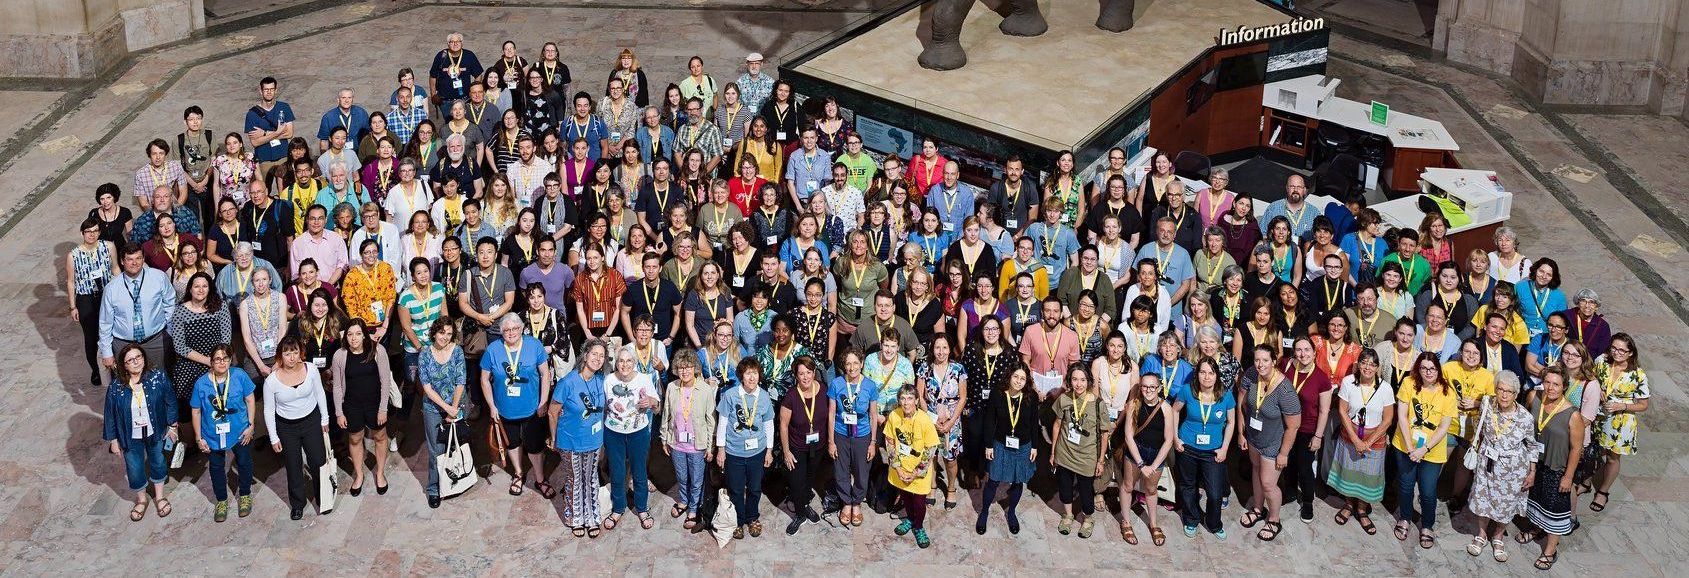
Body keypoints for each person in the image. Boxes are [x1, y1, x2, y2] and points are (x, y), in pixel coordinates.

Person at [1463, 370, 1540, 563]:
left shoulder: (1525, 417)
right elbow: (1480, 430)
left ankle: (1497, 536)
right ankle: (1481, 534)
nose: (1504, 395)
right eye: (1501, 390)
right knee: (1484, 499)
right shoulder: (1487, 404)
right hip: (1487, 462)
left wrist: (1532, 471)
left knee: (1506, 505)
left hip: (1512, 469)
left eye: (1509, 391)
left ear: (1516, 395)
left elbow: (1532, 445)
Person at [102, 343, 178, 521]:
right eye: (130, 360)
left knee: (158, 461)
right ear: (124, 365)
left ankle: (159, 496)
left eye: (139, 357)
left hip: (156, 430)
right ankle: (142, 499)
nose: (136, 362)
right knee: (134, 467)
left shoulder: (158, 377)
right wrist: (113, 440)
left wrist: (173, 426)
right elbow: (110, 415)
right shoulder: (116, 387)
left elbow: (171, 402)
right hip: (129, 435)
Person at [1520, 368, 1586, 570]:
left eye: (1556, 384)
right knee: (1536, 500)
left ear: (1564, 386)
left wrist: (1568, 476)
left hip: (1556, 467)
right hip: (1534, 463)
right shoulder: (1534, 396)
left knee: (1554, 510)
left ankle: (1550, 550)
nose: (1550, 387)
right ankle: (1536, 528)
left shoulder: (1573, 415)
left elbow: (1576, 449)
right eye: (1547, 382)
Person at [482, 313, 553, 498]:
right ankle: (519, 474)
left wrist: (543, 401)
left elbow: (545, 374)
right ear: (501, 332)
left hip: (532, 409)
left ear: (522, 329)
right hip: (505, 410)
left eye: (515, 328)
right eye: (506, 330)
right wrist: (491, 406)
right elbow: (484, 379)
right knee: (512, 443)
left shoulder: (534, 345)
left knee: (535, 446)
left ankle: (540, 478)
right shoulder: (493, 349)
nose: (511, 332)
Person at [1391, 352, 1456, 548]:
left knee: (1428, 491)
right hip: (1405, 446)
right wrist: (1411, 448)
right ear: (1418, 369)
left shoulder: (1448, 393)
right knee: (1406, 485)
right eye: (1424, 368)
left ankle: (1427, 525)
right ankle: (1405, 517)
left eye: (1432, 368)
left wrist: (1423, 449)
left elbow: (1444, 427)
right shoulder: (1409, 384)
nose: (1428, 372)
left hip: (1432, 450)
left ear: (1438, 370)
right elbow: (1402, 416)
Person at [1237, 344, 1300, 541]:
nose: (1260, 364)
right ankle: (1257, 509)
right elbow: (1242, 404)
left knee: (1268, 484)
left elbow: (1293, 426)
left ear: (1274, 361)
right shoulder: (1250, 375)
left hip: (1273, 444)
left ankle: (1274, 520)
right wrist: (1241, 433)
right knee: (1256, 471)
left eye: (1265, 360)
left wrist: (1283, 453)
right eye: (1257, 360)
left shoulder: (1285, 390)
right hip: (1254, 438)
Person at [262, 337, 328, 520]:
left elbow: (320, 393)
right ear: (280, 356)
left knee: (318, 460)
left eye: (294, 352)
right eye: (287, 353)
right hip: (287, 427)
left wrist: (325, 418)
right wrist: (274, 437)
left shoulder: (311, 369)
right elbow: (269, 410)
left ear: (301, 353)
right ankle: (298, 504)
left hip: (311, 421)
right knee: (293, 465)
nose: (291, 357)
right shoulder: (271, 381)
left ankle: (324, 497)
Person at [1172, 357, 1236, 539]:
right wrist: (1176, 438)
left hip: (1213, 451)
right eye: (1202, 372)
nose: (1206, 377)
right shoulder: (1188, 391)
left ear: (1216, 375)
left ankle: (1214, 523)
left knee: (1215, 493)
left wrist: (1224, 448)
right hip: (1188, 448)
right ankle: (1191, 519)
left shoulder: (1225, 395)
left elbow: (1231, 422)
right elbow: (1175, 411)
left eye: (1210, 373)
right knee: (1188, 486)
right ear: (1197, 374)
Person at [600, 343, 659, 531]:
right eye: (621, 361)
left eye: (629, 361)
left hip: (638, 433)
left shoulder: (644, 378)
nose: (625, 365)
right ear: (616, 363)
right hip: (613, 433)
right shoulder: (608, 380)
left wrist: (651, 401)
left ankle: (642, 508)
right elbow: (602, 407)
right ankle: (618, 508)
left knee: (639, 472)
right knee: (617, 473)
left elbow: (657, 406)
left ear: (634, 363)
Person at [331, 319, 393, 496]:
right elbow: (337, 386)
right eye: (350, 334)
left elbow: (385, 381)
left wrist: (383, 408)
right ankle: (359, 475)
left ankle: (380, 473)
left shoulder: (377, 350)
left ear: (365, 334)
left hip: (374, 404)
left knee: (380, 437)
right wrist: (339, 413)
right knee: (355, 440)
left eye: (358, 334)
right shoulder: (340, 355)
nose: (354, 338)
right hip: (352, 406)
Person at [716, 357, 777, 539]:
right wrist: (721, 450)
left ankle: (752, 517)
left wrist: (769, 450)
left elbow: (769, 425)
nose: (752, 377)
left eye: (755, 373)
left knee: (754, 488)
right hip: (734, 452)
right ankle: (738, 520)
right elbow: (722, 423)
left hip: (757, 452)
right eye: (748, 373)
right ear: (741, 376)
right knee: (735, 488)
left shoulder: (764, 396)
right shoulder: (731, 395)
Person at [98, 245, 176, 384]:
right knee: (127, 385)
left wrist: (170, 333)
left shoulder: (158, 277)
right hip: (124, 344)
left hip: (156, 341)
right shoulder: (111, 288)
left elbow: (170, 305)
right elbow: (105, 323)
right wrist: (107, 352)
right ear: (122, 261)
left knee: (161, 382)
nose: (135, 263)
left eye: (138, 258)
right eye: (130, 259)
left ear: (143, 259)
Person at [1047, 363, 1107, 539]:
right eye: (1074, 379)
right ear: (1069, 381)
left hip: (1087, 457)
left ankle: (1087, 519)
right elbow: (1057, 424)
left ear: (1089, 381)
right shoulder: (1064, 399)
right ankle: (1068, 515)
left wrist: (1100, 460)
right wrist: (1053, 452)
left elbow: (1104, 434)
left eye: (1082, 380)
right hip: (1065, 453)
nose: (1078, 384)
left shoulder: (1098, 404)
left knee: (1086, 490)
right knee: (1065, 487)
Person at [1589, 333, 1648, 513]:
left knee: (1612, 457)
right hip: (1599, 414)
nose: (1617, 352)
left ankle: (1603, 491)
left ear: (1630, 353)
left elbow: (1643, 405)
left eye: (1622, 350)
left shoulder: (1637, 375)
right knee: (1593, 448)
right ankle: (1585, 480)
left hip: (1621, 420)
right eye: (1614, 348)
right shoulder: (1602, 361)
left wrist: (1621, 405)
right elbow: (1590, 374)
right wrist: (1597, 388)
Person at [878, 383, 938, 548]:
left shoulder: (924, 420)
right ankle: (910, 520)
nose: (906, 403)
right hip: (901, 468)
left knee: (919, 502)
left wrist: (917, 472)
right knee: (905, 497)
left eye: (910, 398)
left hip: (918, 471)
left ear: (917, 400)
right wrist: (897, 467)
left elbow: (931, 448)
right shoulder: (894, 416)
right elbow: (889, 441)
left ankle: (918, 526)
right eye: (902, 398)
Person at [661, 350, 716, 529]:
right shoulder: (672, 387)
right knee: (682, 477)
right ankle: (683, 501)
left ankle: (694, 508)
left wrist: (710, 447)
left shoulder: (705, 390)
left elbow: (710, 420)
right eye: (681, 368)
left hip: (697, 445)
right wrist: (664, 438)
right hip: (676, 443)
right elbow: (666, 415)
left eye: (688, 367)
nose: (684, 371)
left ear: (695, 368)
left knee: (697, 479)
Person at [778, 356, 832, 534]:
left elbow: (830, 417)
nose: (806, 377)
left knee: (809, 479)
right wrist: (786, 452)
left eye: (808, 372)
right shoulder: (791, 396)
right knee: (797, 481)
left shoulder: (823, 390)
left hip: (818, 446)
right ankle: (800, 514)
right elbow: (783, 425)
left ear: (814, 373)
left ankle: (805, 504)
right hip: (797, 447)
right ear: (796, 376)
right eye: (801, 373)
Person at [829, 348, 881, 527]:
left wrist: (873, 442)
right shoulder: (836, 383)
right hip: (840, 433)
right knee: (840, 470)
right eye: (848, 364)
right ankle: (846, 502)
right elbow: (831, 413)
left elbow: (873, 415)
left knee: (861, 470)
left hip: (863, 434)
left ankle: (857, 502)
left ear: (862, 364)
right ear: (844, 365)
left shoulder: (870, 385)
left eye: (855, 363)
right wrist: (831, 441)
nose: (852, 368)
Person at [917, 335, 968, 509]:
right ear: (932, 349)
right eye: (937, 347)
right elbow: (920, 397)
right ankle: (931, 486)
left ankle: (951, 488)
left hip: (951, 420)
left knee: (950, 458)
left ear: (949, 349)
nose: (941, 352)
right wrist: (931, 419)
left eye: (944, 347)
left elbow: (962, 398)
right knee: (931, 455)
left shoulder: (958, 369)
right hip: (930, 418)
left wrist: (951, 422)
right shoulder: (925, 368)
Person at [1020, 297, 1079, 399]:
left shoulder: (1072, 336)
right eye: (1047, 311)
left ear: (1061, 314)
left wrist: (1062, 389)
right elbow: (1025, 362)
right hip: (1034, 389)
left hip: (1061, 391)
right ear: (1042, 313)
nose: (1052, 315)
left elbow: (1074, 367)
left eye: (1056, 311)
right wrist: (1034, 388)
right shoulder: (1030, 331)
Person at [244, 77, 296, 177]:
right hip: (264, 159)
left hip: (283, 156)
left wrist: (264, 133)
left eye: (272, 89)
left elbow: (289, 133)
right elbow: (255, 142)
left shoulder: (284, 107)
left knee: (285, 187)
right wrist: (278, 132)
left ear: (276, 90)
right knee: (264, 189)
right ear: (261, 91)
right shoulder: (252, 114)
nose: (269, 92)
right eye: (266, 90)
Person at [1562, 288, 1611, 357]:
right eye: (1583, 301)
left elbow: (1603, 351)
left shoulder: (1603, 326)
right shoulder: (1566, 316)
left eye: (1591, 302)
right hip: (1567, 358)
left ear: (1596, 307)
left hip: (1589, 363)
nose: (1587, 306)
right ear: (1578, 304)